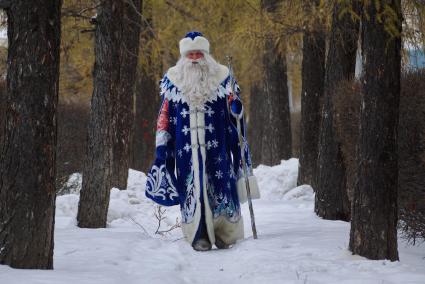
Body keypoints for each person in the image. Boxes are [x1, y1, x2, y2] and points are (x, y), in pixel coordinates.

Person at [145, 31, 259, 251]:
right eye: (191, 54)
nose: (195, 58)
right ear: (183, 58)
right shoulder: (172, 82)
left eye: (199, 53)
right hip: (186, 152)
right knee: (192, 188)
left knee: (220, 187)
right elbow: (164, 118)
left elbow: (235, 113)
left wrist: (237, 109)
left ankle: (226, 233)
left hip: (219, 147)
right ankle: (199, 234)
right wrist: (162, 147)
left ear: (206, 55)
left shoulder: (223, 79)